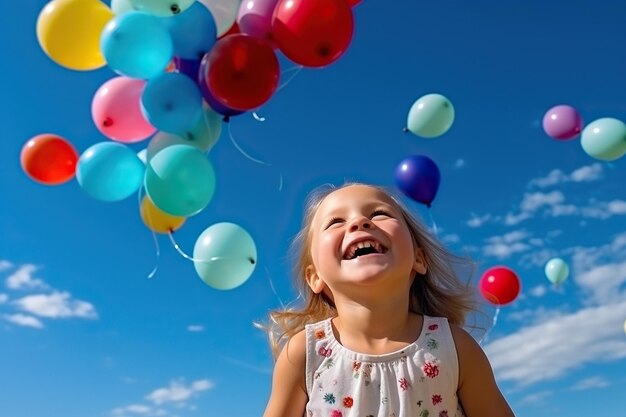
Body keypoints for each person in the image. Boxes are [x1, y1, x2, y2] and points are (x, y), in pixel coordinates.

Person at [262, 182, 515, 417]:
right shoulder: (304, 353)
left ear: (419, 259)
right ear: (315, 276)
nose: (359, 222)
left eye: (379, 214)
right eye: (336, 221)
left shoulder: (455, 347)